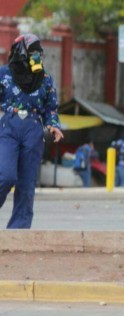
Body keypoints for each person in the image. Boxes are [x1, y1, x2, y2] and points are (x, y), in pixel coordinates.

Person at [0, 33, 64, 229]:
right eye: (32, 51)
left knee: (26, 185)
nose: (37, 56)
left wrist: (53, 124)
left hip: (34, 130)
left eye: (39, 52)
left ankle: (18, 231)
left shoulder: (45, 79)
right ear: (21, 52)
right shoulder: (4, 74)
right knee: (6, 175)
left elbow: (50, 108)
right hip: (9, 127)